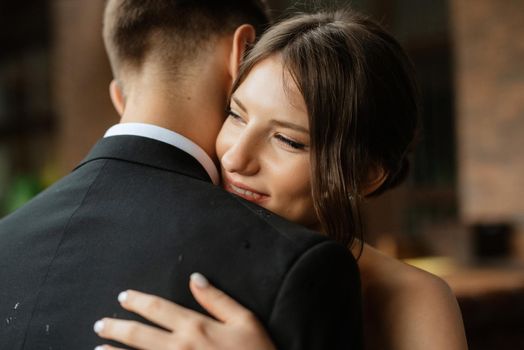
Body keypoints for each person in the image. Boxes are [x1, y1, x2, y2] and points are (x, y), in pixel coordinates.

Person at [95, 8, 468, 350]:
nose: (236, 157)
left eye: (288, 140)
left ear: (365, 175)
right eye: (236, 115)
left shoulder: (412, 298)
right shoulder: (168, 250)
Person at [0, 2, 364, 350]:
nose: (239, 159)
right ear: (242, 54)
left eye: (287, 139)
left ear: (119, 98)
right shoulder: (300, 266)